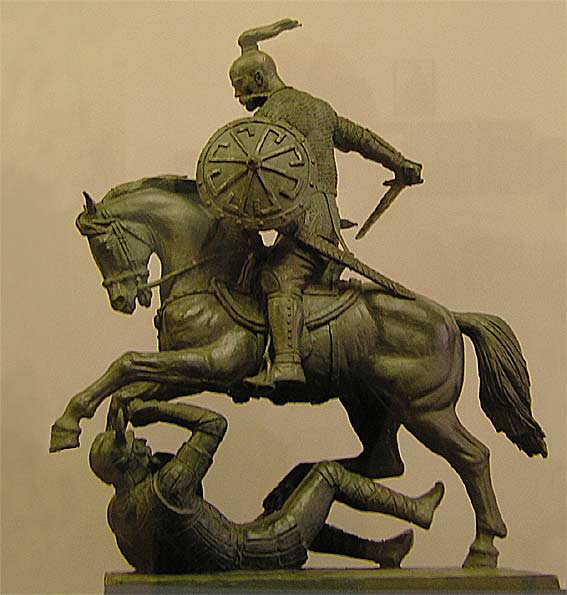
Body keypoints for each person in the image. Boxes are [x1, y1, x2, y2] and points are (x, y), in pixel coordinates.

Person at [228, 19, 423, 390]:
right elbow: (361, 139)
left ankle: (287, 363)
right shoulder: (318, 107)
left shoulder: (270, 118)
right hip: (320, 216)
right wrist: (401, 164)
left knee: (280, 278)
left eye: (241, 87)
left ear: (258, 79)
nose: (239, 97)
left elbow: (250, 175)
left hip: (309, 221)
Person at [89, 398, 445, 573]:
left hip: (238, 549)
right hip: (256, 552)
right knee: (326, 475)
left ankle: (380, 552)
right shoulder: (166, 488)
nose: (143, 443)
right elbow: (214, 424)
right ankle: (415, 508)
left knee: (294, 485)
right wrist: (157, 409)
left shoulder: (117, 513)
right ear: (125, 461)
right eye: (134, 444)